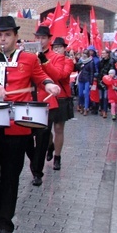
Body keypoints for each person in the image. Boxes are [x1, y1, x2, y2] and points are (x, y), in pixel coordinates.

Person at [0, 16, 60, 233]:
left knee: (11, 176)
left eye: (8, 34)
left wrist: (49, 84)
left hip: (16, 128)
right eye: (0, 35)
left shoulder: (29, 59)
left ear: (15, 36)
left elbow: (41, 78)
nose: (3, 39)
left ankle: (6, 223)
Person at [28, 27, 72, 184]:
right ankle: (39, 158)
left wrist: (44, 61)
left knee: (47, 133)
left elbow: (57, 75)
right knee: (27, 138)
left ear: (49, 40)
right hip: (29, 99)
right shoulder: (28, 55)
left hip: (49, 98)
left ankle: (40, 169)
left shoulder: (57, 57)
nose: (40, 41)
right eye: (37, 38)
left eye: (43, 38)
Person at [47, 37, 74, 171]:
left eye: (59, 47)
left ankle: (57, 157)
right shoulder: (48, 60)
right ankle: (50, 145)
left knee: (58, 129)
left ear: (64, 48)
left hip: (61, 97)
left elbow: (62, 75)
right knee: (45, 129)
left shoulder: (68, 61)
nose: (57, 49)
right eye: (54, 47)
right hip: (47, 96)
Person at [75, 50, 96, 114]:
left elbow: (92, 72)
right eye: (83, 53)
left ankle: (86, 108)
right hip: (81, 79)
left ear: (88, 55)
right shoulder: (81, 61)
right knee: (80, 94)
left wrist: (91, 82)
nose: (84, 55)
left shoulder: (91, 62)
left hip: (87, 79)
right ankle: (81, 105)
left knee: (86, 94)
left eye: (86, 54)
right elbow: (76, 68)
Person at [97, 49, 113, 117]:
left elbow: (112, 71)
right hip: (100, 80)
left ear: (107, 54)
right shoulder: (100, 62)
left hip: (107, 80)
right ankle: (101, 109)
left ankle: (105, 111)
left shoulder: (111, 62)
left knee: (105, 97)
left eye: (104, 53)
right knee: (100, 97)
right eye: (102, 53)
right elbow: (99, 70)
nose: (102, 54)